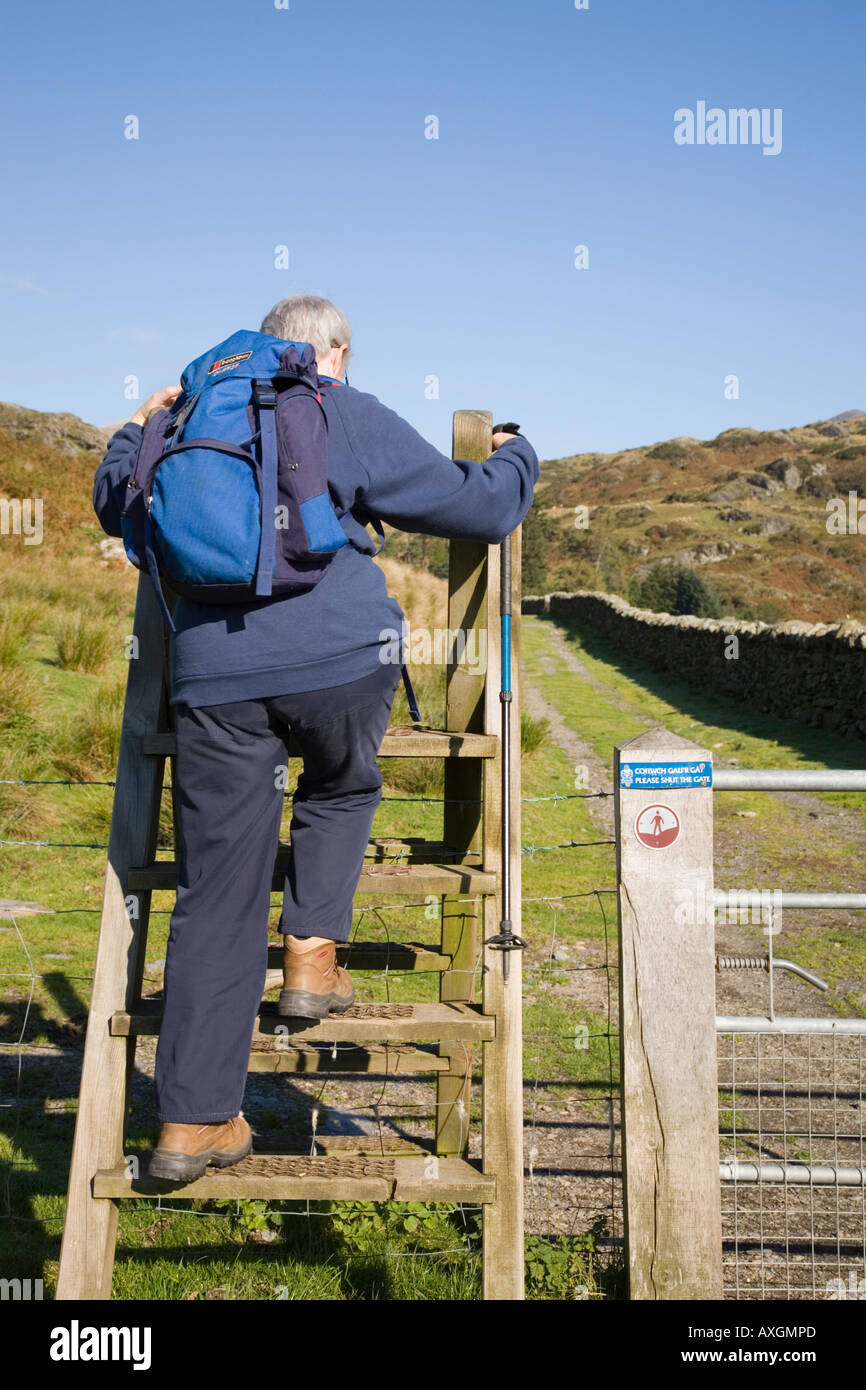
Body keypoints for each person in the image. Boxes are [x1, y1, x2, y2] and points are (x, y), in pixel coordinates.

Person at [93, 294, 539, 1180]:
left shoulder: (185, 422)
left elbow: (118, 503)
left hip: (213, 682)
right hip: (340, 658)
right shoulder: (336, 406)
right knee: (343, 783)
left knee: (216, 897)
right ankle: (311, 952)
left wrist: (138, 422)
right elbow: (479, 509)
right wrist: (517, 452)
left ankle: (190, 1124)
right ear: (332, 353)